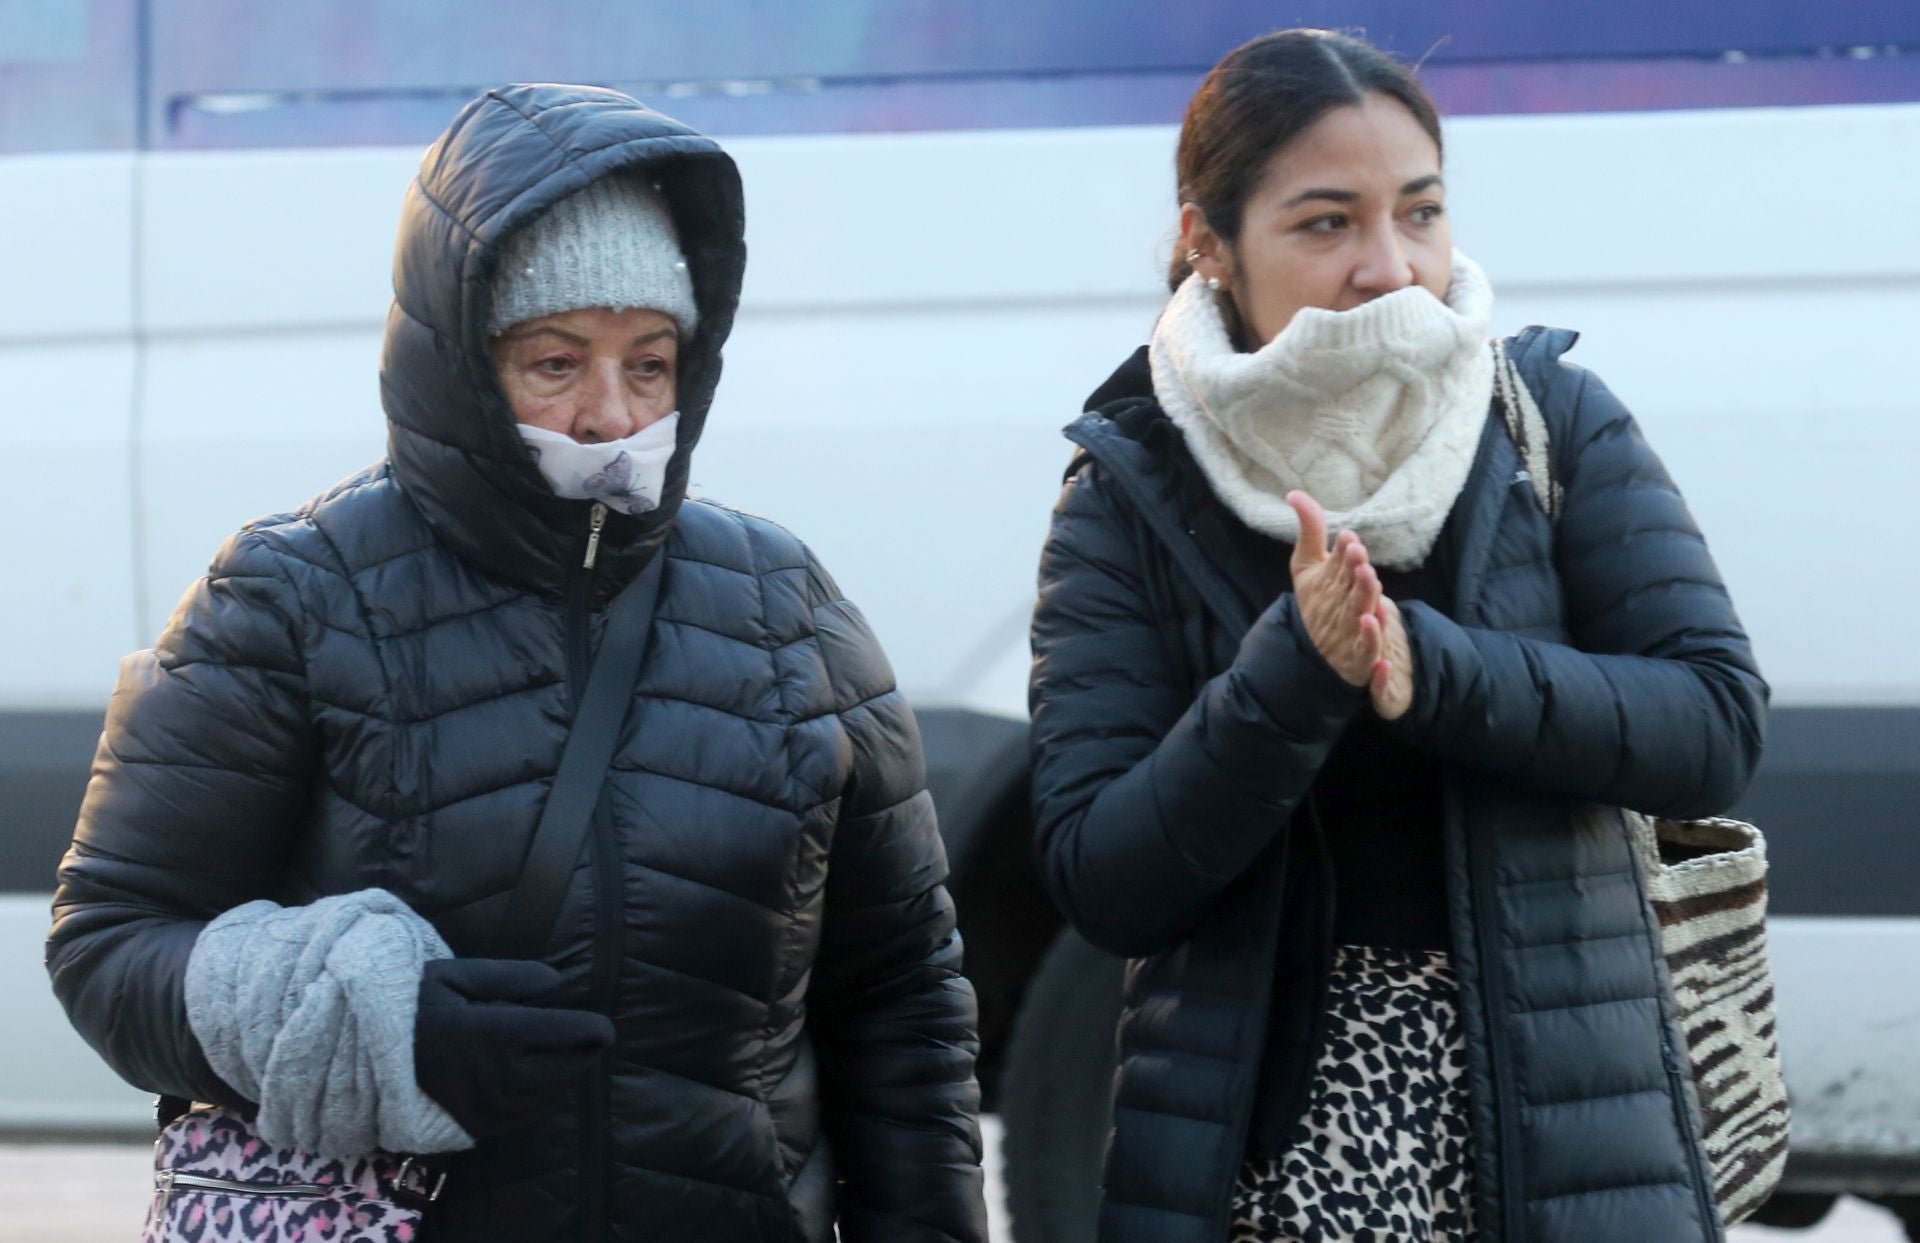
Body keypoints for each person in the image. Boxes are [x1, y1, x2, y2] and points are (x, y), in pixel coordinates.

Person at [47, 83, 988, 1243]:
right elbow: (110, 945)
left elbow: (900, 999)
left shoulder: (784, 603)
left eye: (651, 364)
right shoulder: (291, 595)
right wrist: (381, 1026)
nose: (609, 414)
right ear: (460, 357)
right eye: (556, 362)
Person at [1027, 30, 1767, 1243]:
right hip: (1268, 1158)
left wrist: (1433, 669)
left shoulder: (1545, 419)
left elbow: (1712, 724)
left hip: (1569, 1130)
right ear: (1209, 244)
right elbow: (1103, 875)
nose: (1392, 267)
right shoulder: (1133, 483)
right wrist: (1295, 672)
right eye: (1328, 223)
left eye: (1418, 212)